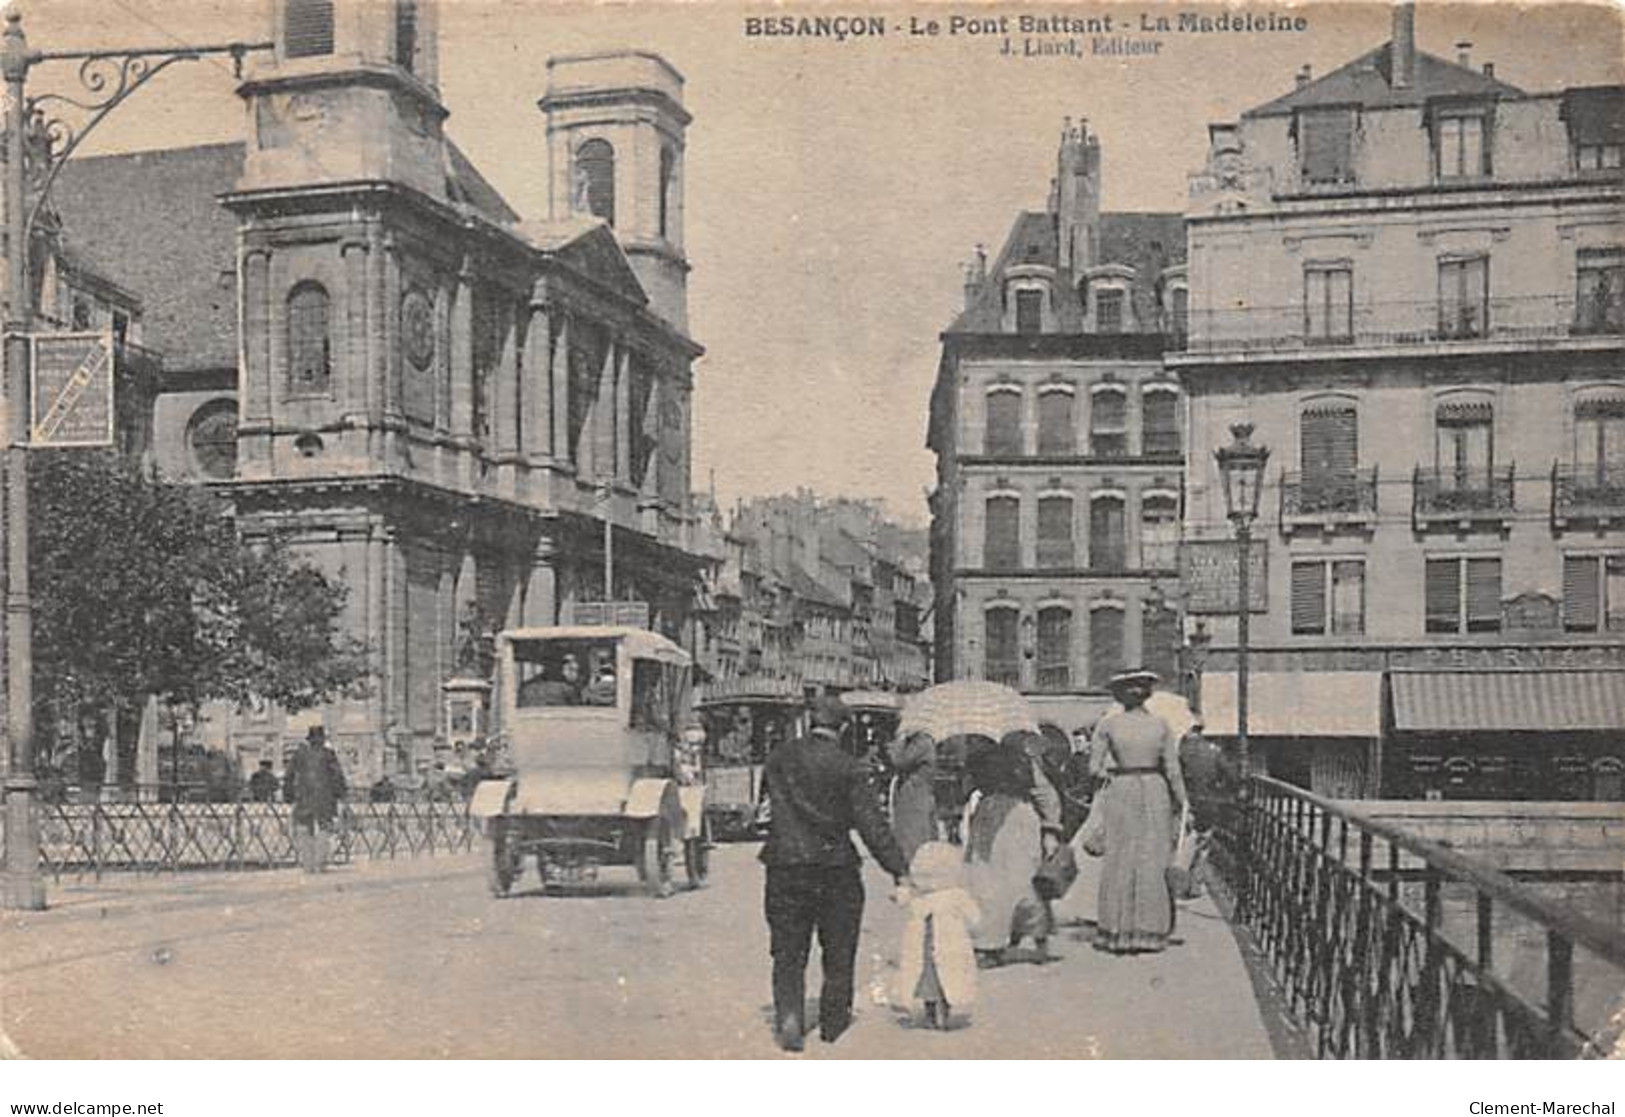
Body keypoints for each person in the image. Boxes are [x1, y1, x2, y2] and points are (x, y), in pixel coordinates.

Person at [760, 695, 910, 1053]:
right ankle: (833, 1021)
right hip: (835, 869)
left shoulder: (779, 758)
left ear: (811, 722)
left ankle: (789, 1017)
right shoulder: (850, 767)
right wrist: (898, 869)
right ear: (843, 727)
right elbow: (872, 826)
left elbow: (767, 809)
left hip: (784, 865)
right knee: (839, 949)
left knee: (788, 950)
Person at [1090, 669, 1188, 954]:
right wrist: (1183, 802)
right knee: (1152, 859)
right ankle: (1149, 931)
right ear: (1149, 693)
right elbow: (1173, 770)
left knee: (1120, 858)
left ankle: (1116, 929)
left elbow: (1093, 769)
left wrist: (1113, 770)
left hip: (1121, 790)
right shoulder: (1161, 725)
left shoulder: (1108, 725)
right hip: (1156, 791)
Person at [964, 736, 1051, 967]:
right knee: (1008, 882)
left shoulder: (983, 758)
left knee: (997, 883)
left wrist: (1052, 825)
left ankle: (995, 944)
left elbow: (1042, 791)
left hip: (1007, 818)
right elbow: (1044, 793)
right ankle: (1025, 936)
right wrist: (1052, 824)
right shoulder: (1021, 760)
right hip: (1006, 817)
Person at [893, 841, 980, 1031]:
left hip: (946, 948)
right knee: (930, 984)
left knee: (944, 982)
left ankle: (941, 1013)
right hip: (926, 951)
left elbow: (973, 914)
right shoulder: (925, 896)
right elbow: (975, 917)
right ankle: (933, 1014)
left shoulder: (952, 896)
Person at [282, 726, 348, 873]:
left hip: (304, 797)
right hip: (325, 798)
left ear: (309, 740)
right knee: (325, 828)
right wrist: (341, 794)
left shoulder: (299, 755)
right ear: (322, 740)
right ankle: (320, 862)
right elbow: (337, 775)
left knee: (304, 829)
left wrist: (288, 794)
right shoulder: (328, 755)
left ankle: (308, 864)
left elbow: (289, 775)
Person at [886, 730, 938, 866]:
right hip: (913, 793)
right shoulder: (918, 741)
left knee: (912, 838)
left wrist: (898, 742)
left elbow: (899, 761)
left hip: (915, 794)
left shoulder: (922, 742)